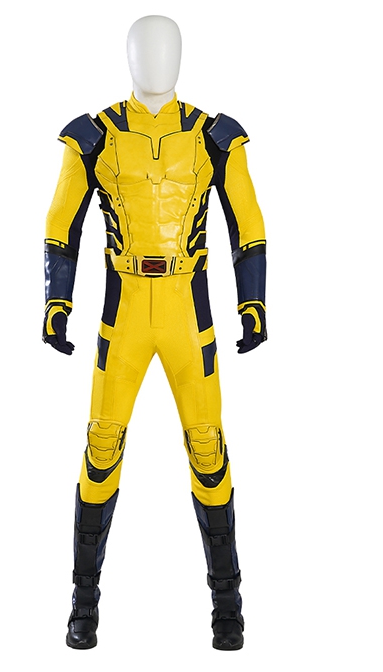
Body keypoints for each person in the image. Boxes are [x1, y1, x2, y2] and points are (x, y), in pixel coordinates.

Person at [43, 15, 267, 651]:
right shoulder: (95, 136)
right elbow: (61, 222)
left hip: (187, 310)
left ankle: (228, 605)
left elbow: (248, 222)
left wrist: (253, 303)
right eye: (145, 49)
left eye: (166, 49)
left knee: (208, 450)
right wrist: (57, 302)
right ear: (129, 57)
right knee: (101, 449)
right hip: (123, 311)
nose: (156, 60)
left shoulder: (214, 136)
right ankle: (83, 603)